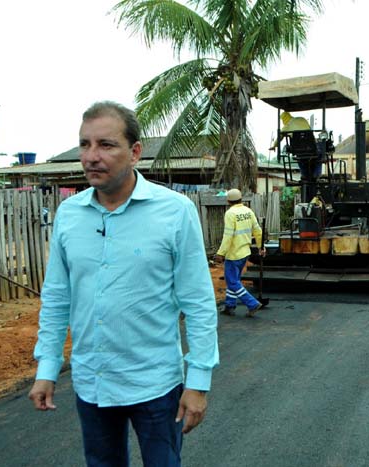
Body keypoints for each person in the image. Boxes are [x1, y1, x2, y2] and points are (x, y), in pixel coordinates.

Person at [28, 101, 219, 467]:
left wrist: (197, 382)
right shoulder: (69, 214)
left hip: (155, 385)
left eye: (106, 145)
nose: (91, 157)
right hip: (92, 383)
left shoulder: (175, 211)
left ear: (134, 152)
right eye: (85, 145)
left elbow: (197, 302)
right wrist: (47, 369)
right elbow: (56, 298)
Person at [215, 188, 266, 317]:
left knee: (232, 281)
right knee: (235, 280)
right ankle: (229, 305)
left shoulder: (230, 213)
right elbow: (258, 231)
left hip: (233, 254)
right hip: (245, 252)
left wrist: (221, 253)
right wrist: (261, 247)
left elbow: (228, 235)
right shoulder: (248, 211)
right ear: (241, 199)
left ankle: (252, 304)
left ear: (228, 201)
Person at [274, 111, 322, 181]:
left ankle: (304, 175)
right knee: (320, 155)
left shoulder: (286, 127)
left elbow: (279, 137)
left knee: (300, 157)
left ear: (284, 119)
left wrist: (274, 146)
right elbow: (309, 130)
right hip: (311, 148)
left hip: (298, 150)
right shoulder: (301, 119)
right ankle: (316, 174)